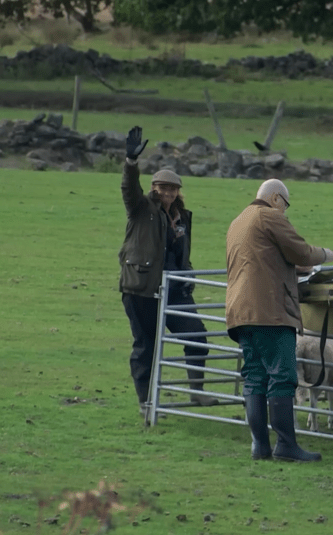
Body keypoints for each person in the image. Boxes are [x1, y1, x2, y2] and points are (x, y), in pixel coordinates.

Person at [225, 178, 333, 462]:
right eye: (285, 205)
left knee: (254, 377)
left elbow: (265, 262)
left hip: (241, 312)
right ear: (276, 198)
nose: (284, 211)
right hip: (270, 312)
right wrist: (324, 255)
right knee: (283, 376)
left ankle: (259, 446)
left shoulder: (239, 221)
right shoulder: (270, 217)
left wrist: (293, 269)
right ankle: (286, 445)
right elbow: (302, 251)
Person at [118, 125, 218, 418]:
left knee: (197, 337)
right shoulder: (140, 208)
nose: (168, 193)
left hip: (175, 290)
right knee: (145, 347)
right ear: (154, 188)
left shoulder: (182, 217)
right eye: (163, 188)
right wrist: (131, 162)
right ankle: (145, 403)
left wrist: (188, 275)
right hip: (143, 289)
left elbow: (181, 252)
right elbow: (128, 188)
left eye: (173, 189)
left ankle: (197, 393)